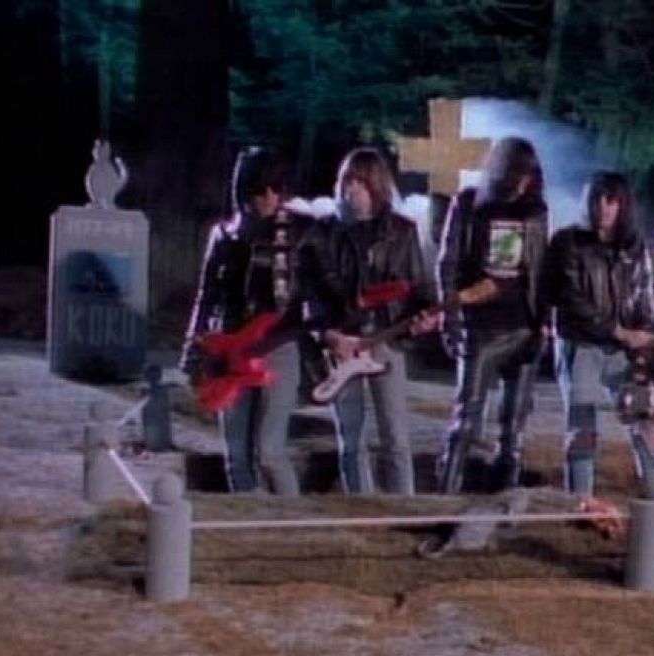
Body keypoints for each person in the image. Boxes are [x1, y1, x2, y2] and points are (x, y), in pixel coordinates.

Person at [299, 148, 438, 495]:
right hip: (341, 343)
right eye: (348, 182)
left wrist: (425, 318)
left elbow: (419, 288)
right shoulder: (322, 233)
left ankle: (404, 508)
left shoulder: (402, 231)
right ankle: (359, 507)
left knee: (395, 435)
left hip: (386, 339)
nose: (352, 190)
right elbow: (308, 295)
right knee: (351, 437)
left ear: (377, 186)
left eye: (360, 183)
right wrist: (328, 334)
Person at [180, 147, 306, 495]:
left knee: (270, 451)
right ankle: (250, 515)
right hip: (230, 346)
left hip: (277, 345)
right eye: (260, 189)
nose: (269, 197)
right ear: (244, 190)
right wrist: (193, 347)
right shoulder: (223, 235)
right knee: (237, 454)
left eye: (276, 188)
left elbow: (307, 299)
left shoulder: (296, 235)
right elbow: (206, 294)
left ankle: (293, 519)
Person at [436, 137, 549, 493]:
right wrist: (451, 318)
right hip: (480, 326)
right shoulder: (469, 205)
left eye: (529, 176)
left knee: (514, 428)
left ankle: (505, 503)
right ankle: (446, 498)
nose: (523, 183)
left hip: (523, 325)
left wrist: (542, 325)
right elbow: (449, 263)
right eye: (518, 174)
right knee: (465, 421)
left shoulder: (535, 211)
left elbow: (540, 270)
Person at [547, 171, 654, 498]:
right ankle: (582, 503)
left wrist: (642, 340)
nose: (604, 206)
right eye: (598, 198)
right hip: (581, 344)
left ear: (623, 204)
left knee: (645, 424)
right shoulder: (568, 242)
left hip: (623, 351)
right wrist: (617, 331)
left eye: (611, 200)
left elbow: (645, 298)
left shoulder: (635, 248)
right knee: (583, 428)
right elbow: (570, 298)